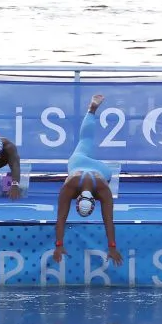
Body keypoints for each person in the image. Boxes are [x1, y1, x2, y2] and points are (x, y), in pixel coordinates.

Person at [52, 94, 122, 266]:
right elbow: (108, 221)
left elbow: (61, 219)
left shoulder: (102, 188)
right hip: (79, 163)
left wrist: (59, 245)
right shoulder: (72, 185)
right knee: (86, 140)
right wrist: (111, 247)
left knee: (86, 140)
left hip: (101, 170)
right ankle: (91, 109)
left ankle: (92, 109)